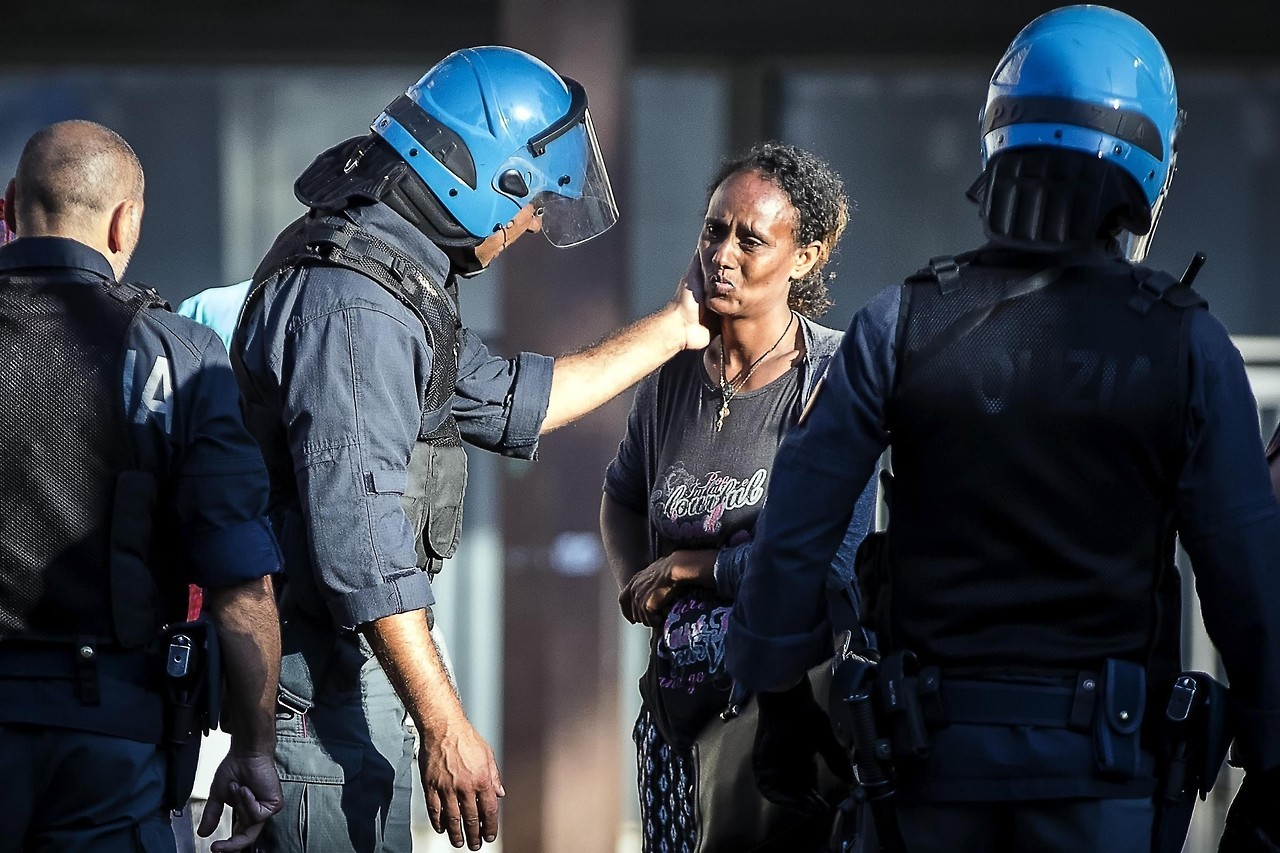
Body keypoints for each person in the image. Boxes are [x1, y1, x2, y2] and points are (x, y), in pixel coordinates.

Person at [724, 7, 1280, 853]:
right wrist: (1271, 760)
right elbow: (1247, 586)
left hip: (927, 777)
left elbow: (794, 532)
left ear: (999, 142)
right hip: (1109, 786)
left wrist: (782, 702)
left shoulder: (899, 323)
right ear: (1147, 166)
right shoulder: (1188, 343)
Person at [232, 47, 708, 853]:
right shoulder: (360, 308)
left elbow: (519, 400)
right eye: (529, 208)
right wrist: (446, 725)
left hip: (338, 676)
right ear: (490, 180)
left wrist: (676, 326)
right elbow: (364, 548)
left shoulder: (390, 273)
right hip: (318, 688)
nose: (526, 228)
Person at [0, 120, 284, 852]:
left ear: (8, 206)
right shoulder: (179, 354)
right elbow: (240, 585)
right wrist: (253, 750)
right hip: (111, 743)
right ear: (125, 222)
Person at [601, 142, 876, 852]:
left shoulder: (832, 376)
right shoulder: (670, 377)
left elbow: (827, 567)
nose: (724, 253)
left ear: (806, 256)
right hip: (673, 720)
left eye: (751, 238)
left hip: (782, 729)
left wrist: (692, 568)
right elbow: (622, 496)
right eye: (713, 230)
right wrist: (636, 581)